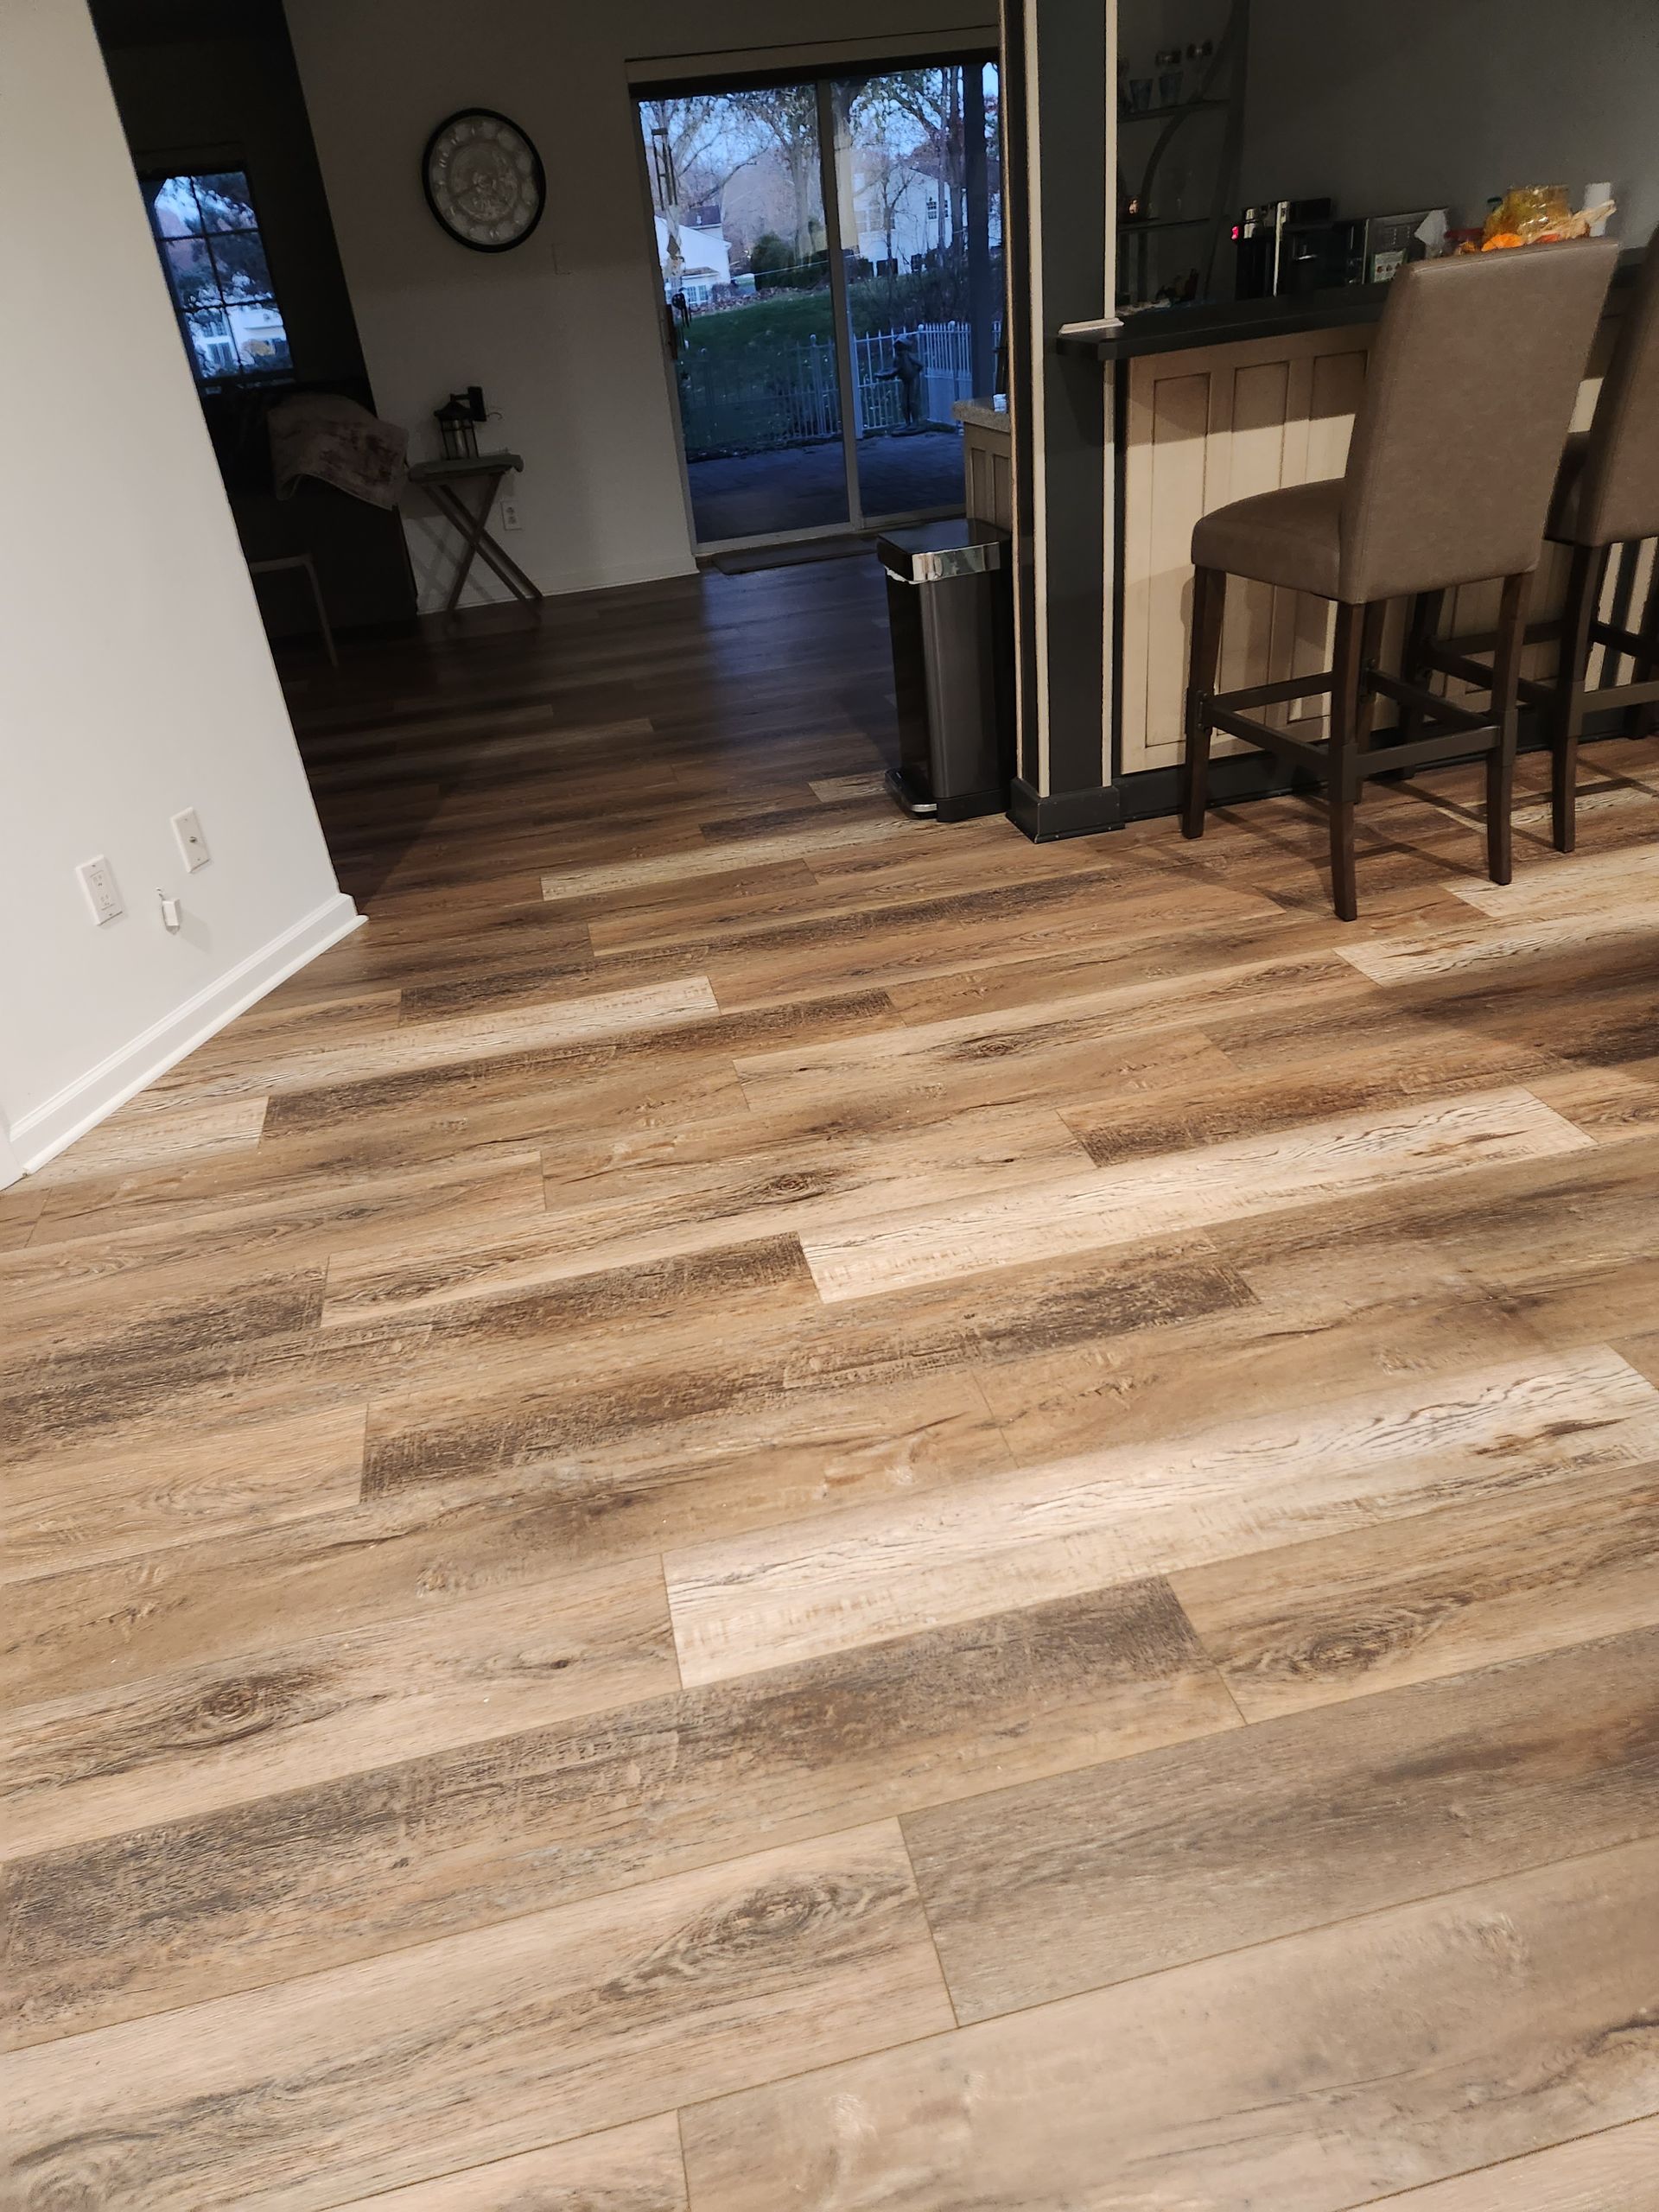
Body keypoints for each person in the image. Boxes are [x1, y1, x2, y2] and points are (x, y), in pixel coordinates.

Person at [879, 335, 925, 428]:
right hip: (906, 381)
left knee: (912, 401)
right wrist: (884, 374)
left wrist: (914, 372)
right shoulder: (897, 359)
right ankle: (907, 423)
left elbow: (920, 365)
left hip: (913, 379)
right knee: (904, 403)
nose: (900, 350)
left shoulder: (909, 356)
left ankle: (915, 422)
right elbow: (893, 370)